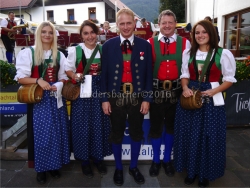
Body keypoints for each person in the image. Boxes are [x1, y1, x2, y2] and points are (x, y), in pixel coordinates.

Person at [174, 20, 236, 187]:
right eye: (197, 33)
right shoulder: (188, 53)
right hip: (191, 97)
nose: (200, 35)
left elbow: (229, 79)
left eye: (204, 32)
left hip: (211, 99)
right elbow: (184, 74)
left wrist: (214, 91)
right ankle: (191, 170)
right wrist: (185, 87)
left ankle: (204, 173)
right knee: (189, 136)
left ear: (211, 34)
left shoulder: (223, 54)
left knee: (208, 137)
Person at [101, 8, 153, 186]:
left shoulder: (145, 45)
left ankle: (133, 166)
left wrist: (147, 98)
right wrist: (104, 99)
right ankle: (117, 167)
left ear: (134, 24)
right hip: (115, 96)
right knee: (116, 133)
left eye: (128, 23)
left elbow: (148, 75)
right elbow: (104, 76)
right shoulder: (108, 46)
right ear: (117, 25)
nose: (125, 27)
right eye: (121, 23)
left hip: (137, 96)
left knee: (137, 133)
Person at [14, 21, 70, 184]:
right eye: (44, 32)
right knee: (42, 135)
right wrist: (38, 80)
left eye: (50, 32)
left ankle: (54, 166)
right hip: (38, 100)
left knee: (57, 132)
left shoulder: (59, 54)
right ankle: (42, 168)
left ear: (54, 35)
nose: (47, 35)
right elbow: (21, 78)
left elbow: (63, 77)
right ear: (38, 34)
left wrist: (59, 84)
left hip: (55, 99)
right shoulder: (28, 53)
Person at [65, 20, 112, 178]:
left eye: (92, 32)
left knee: (99, 126)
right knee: (82, 127)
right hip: (82, 93)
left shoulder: (103, 50)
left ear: (97, 33)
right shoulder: (75, 51)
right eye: (86, 33)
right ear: (81, 35)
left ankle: (98, 159)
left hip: (99, 92)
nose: (90, 36)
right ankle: (84, 161)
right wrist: (75, 75)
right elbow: (68, 70)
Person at [147, 9, 191, 178]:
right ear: (159, 24)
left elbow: (187, 69)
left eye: (170, 22)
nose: (166, 26)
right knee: (156, 127)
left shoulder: (185, 43)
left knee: (172, 127)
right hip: (156, 90)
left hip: (177, 90)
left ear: (175, 24)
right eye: (163, 22)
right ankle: (156, 160)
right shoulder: (150, 42)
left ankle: (167, 160)